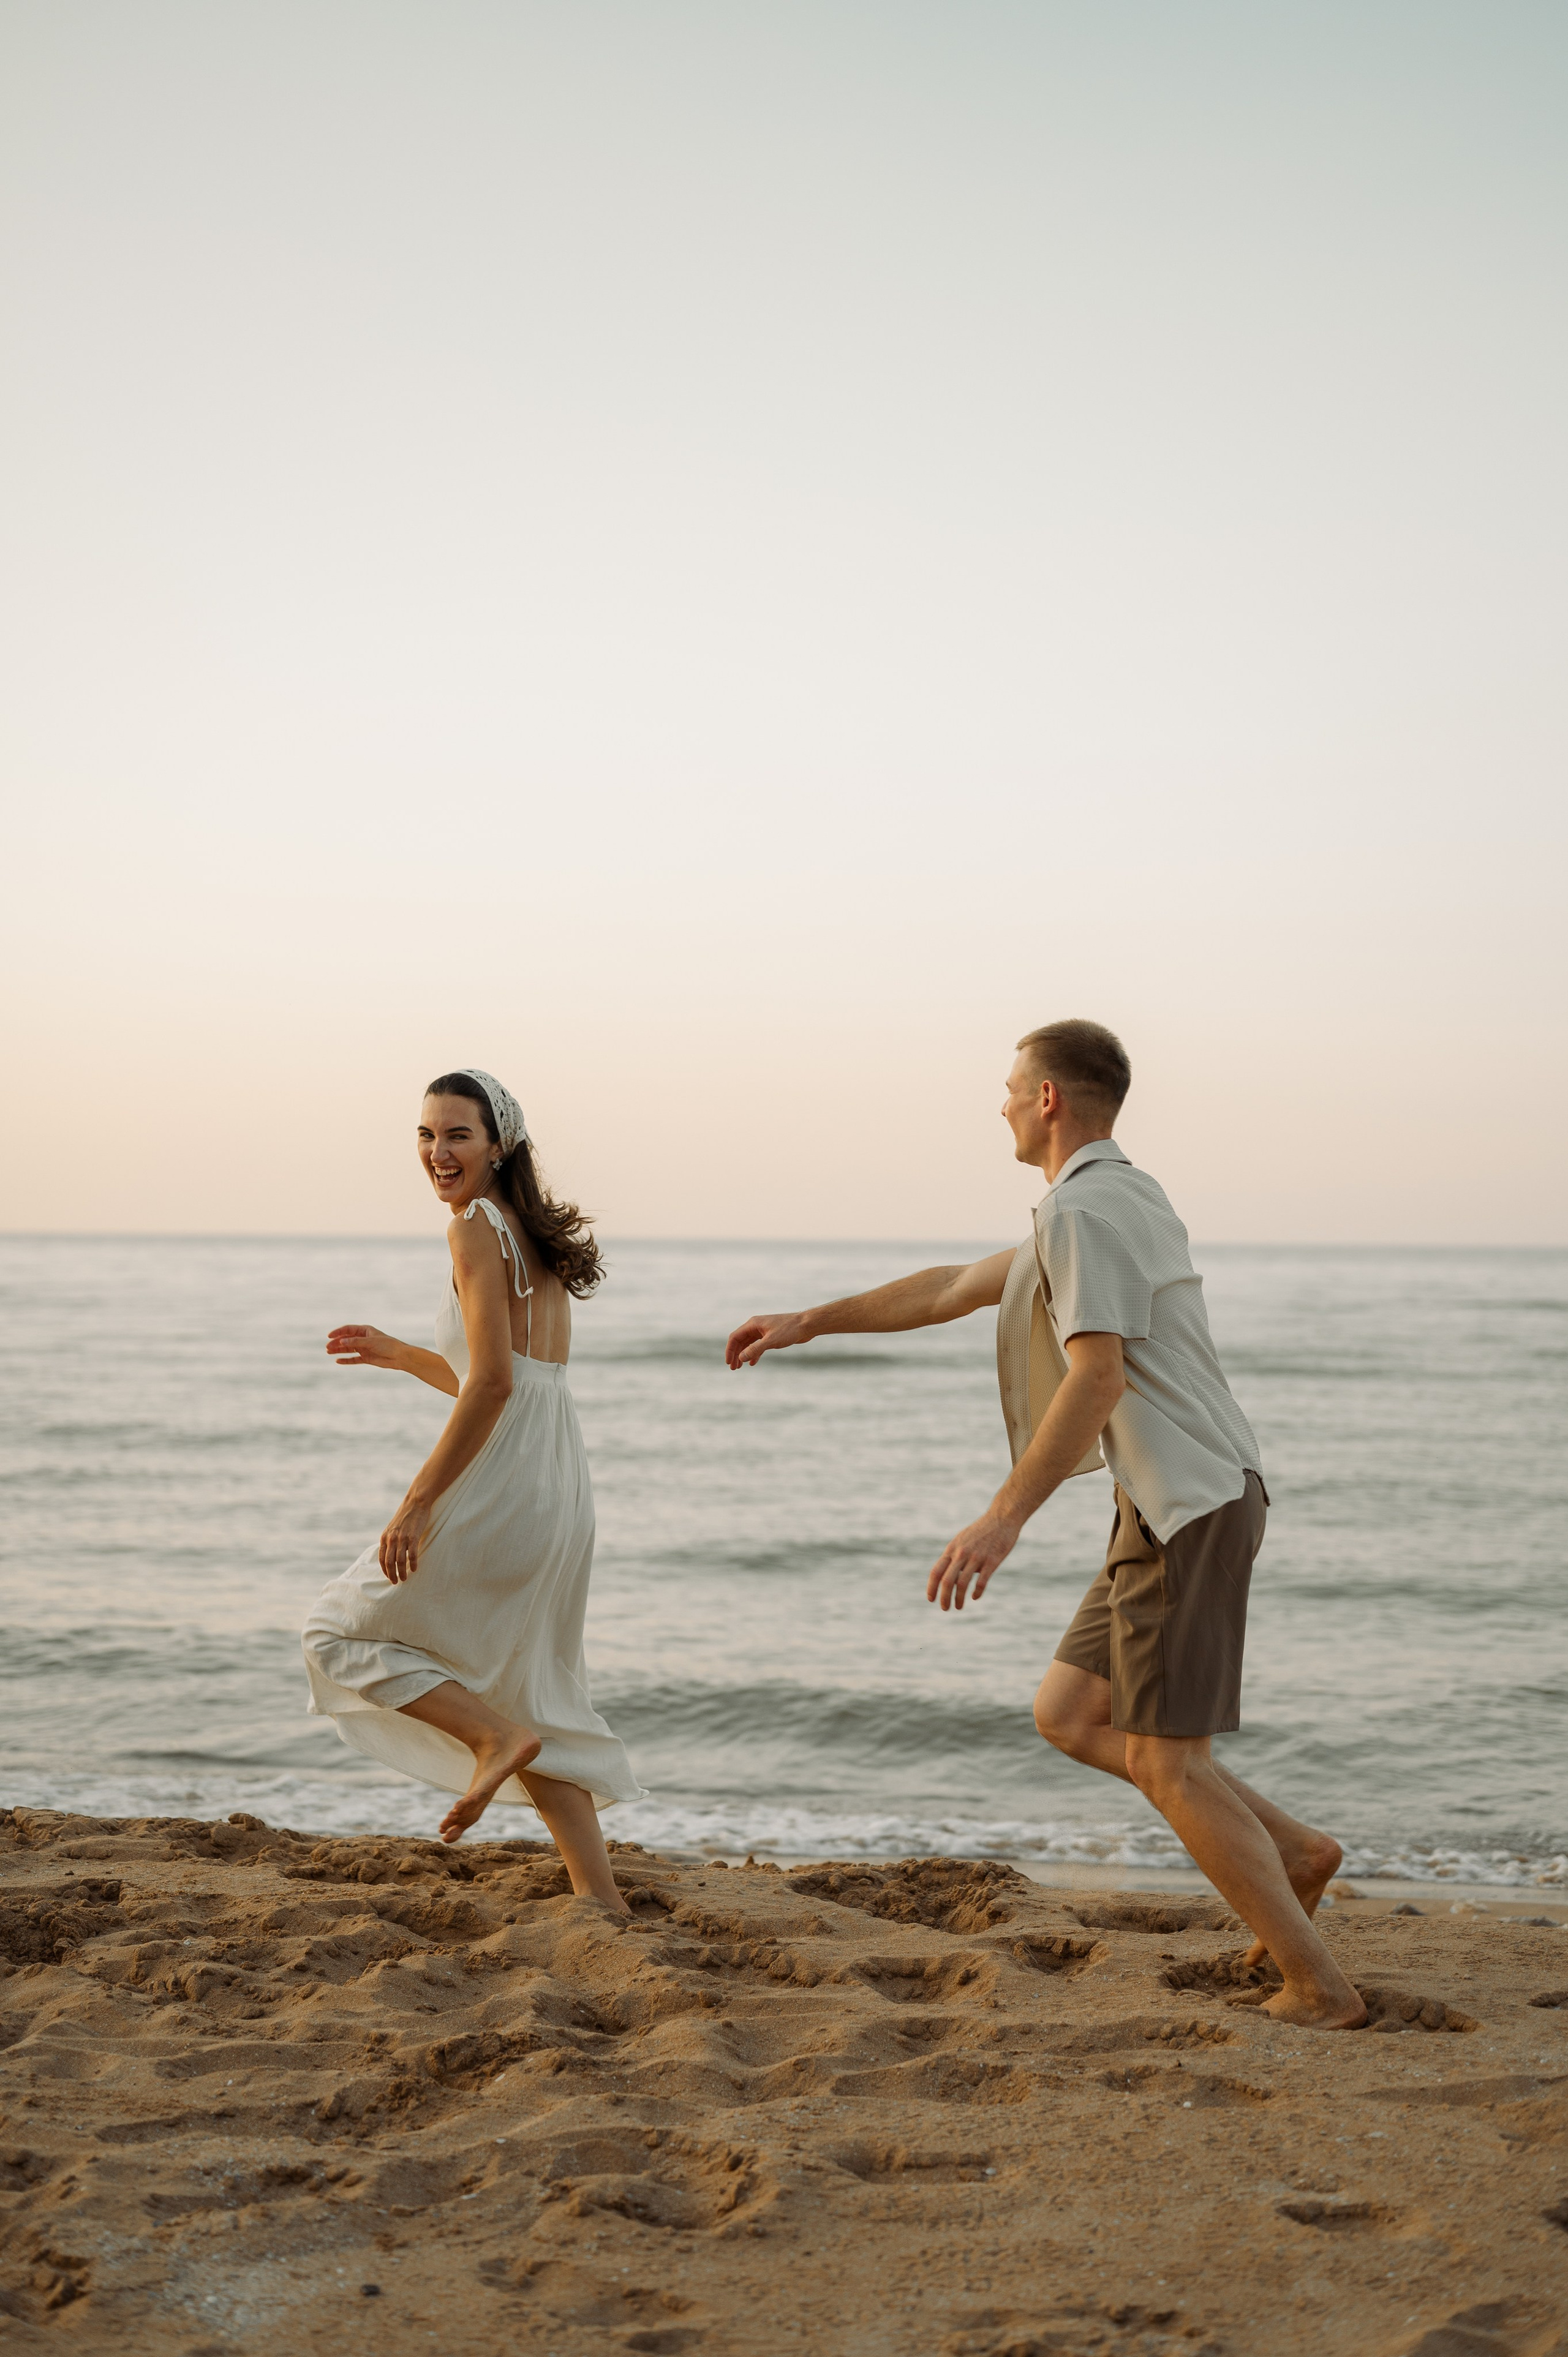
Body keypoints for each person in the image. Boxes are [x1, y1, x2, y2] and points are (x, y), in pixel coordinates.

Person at [725, 1020, 1365, 2031]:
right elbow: (947, 1288)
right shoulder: (1111, 1197)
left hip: (1186, 1505)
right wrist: (810, 1319)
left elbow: (1097, 1373)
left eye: (1012, 1087)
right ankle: (1293, 1851)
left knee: (1166, 1761)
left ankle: (1319, 1989)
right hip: (1174, 1502)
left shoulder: (1086, 1212)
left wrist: (1001, 1518)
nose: (1004, 1104)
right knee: (1070, 1714)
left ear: (1051, 1098)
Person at [303, 1069, 641, 1907]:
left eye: (457, 1135)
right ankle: (602, 1904)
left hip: (506, 1481)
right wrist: (401, 1353)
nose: (438, 1152)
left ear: (500, 1144)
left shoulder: (474, 1231)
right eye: (425, 1135)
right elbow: (509, 1380)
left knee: (337, 1634)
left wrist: (415, 1502)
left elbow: (490, 1386)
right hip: (557, 1484)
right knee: (534, 1694)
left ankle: (492, 1742)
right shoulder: (531, 1233)